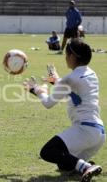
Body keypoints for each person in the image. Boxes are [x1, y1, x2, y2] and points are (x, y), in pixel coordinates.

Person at [23, 39, 105, 182]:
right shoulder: (91, 74)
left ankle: (85, 167)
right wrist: (57, 81)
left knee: (47, 151)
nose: (65, 58)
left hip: (84, 130)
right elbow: (74, 92)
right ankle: (82, 166)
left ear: (72, 57)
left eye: (66, 55)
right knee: (63, 164)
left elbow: (48, 103)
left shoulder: (69, 79)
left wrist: (36, 90)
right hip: (98, 134)